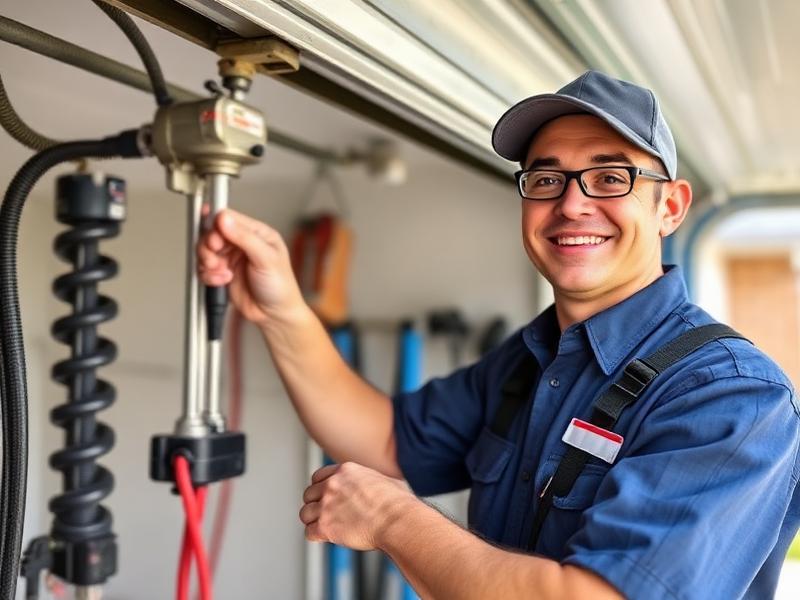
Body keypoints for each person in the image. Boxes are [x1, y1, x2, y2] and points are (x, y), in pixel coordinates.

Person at [197, 71, 800, 599]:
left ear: (670, 207)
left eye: (610, 177)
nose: (571, 204)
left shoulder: (731, 397)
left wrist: (393, 520)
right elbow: (382, 436)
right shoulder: (532, 360)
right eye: (546, 180)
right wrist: (282, 310)